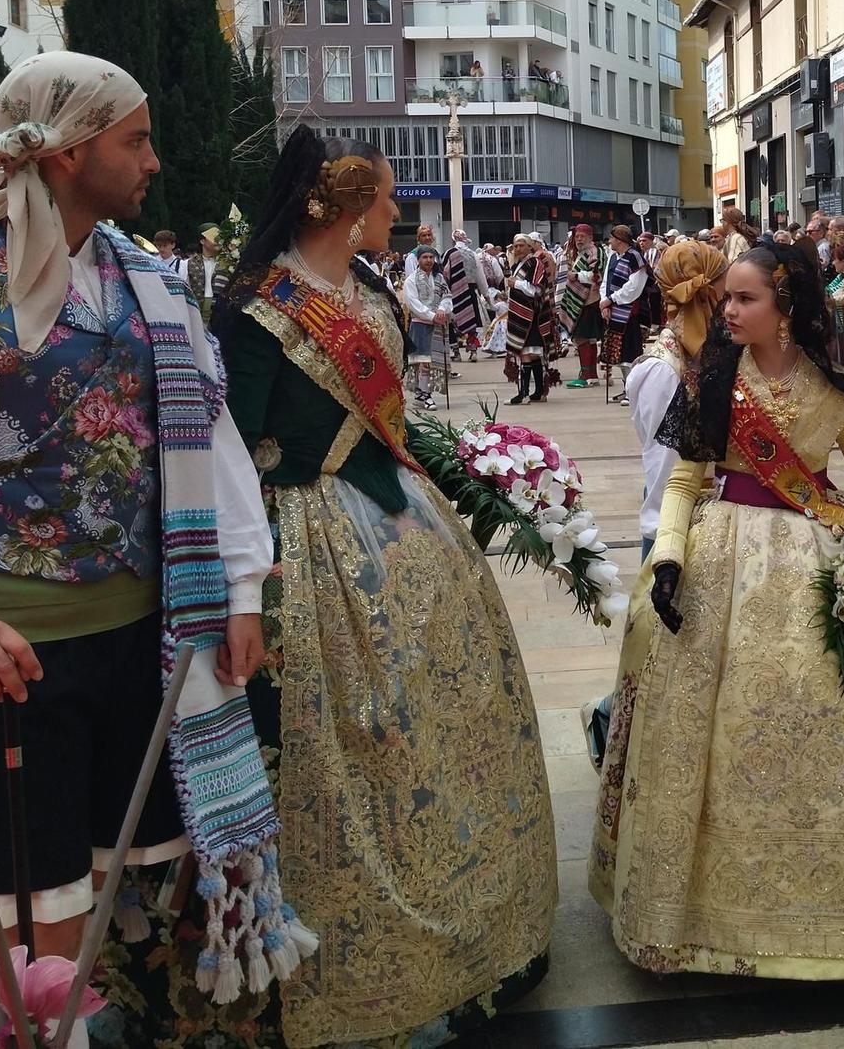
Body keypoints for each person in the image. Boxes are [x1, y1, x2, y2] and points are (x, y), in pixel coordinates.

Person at [0, 52, 305, 992]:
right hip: (18, 651)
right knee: (36, 889)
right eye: (136, 140)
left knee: (124, 866)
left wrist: (240, 586)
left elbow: (207, 436)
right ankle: (51, 1024)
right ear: (73, 153)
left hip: (144, 637)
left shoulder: (148, 282)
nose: (153, 161)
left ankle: (94, 1010)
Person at [188, 127, 555, 1044]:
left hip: (397, 518)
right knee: (359, 733)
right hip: (310, 543)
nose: (396, 212)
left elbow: (387, 413)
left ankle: (475, 919)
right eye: (386, 198)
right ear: (343, 207)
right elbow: (234, 448)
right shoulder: (256, 311)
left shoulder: (368, 289)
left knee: (440, 717)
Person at [590, 237, 844, 976]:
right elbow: (685, 482)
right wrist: (671, 555)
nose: (730, 310)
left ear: (786, 311)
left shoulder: (828, 387)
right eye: (730, 297)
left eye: (746, 299)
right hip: (722, 553)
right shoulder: (715, 380)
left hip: (818, 549)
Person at [582, 239, 728, 767]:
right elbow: (666, 466)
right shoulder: (662, 367)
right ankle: (607, 717)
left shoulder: (704, 350)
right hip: (671, 521)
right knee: (658, 646)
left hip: (705, 516)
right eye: (722, 285)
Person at [505, 232, 558, 404]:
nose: (518, 249)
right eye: (516, 246)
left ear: (530, 246)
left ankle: (524, 393)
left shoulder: (534, 263)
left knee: (527, 353)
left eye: (522, 245)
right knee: (532, 354)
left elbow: (537, 289)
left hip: (531, 316)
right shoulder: (518, 265)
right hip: (519, 316)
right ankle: (539, 392)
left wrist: (516, 284)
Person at [602, 223, 651, 392]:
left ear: (619, 240)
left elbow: (634, 288)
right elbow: (606, 282)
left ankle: (633, 390)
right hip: (616, 310)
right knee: (620, 353)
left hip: (630, 313)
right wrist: (606, 302)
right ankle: (627, 387)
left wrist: (611, 299)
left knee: (630, 352)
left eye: (611, 238)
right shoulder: (616, 257)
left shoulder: (634, 257)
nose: (609, 241)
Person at [402, 244, 451, 407]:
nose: (429, 260)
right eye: (425, 257)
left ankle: (423, 393)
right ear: (418, 260)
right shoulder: (411, 280)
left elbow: (447, 296)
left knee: (432, 361)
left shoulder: (439, 278)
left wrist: (443, 309)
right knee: (423, 360)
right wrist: (432, 316)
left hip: (437, 324)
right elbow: (413, 303)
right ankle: (424, 394)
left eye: (431, 257)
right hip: (420, 324)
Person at [559, 224, 607, 385]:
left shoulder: (595, 252)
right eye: (577, 236)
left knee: (582, 338)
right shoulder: (581, 253)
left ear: (590, 237)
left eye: (582, 237)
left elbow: (597, 275)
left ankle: (586, 375)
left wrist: (577, 276)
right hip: (583, 302)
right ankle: (591, 375)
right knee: (588, 339)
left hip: (589, 301)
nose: (579, 239)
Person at [443, 228, 489, 356]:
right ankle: (473, 349)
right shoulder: (473, 254)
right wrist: (486, 295)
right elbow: (481, 277)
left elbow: (444, 274)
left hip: (453, 292)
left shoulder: (449, 253)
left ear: (453, 240)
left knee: (453, 321)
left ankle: (456, 352)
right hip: (470, 291)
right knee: (471, 320)